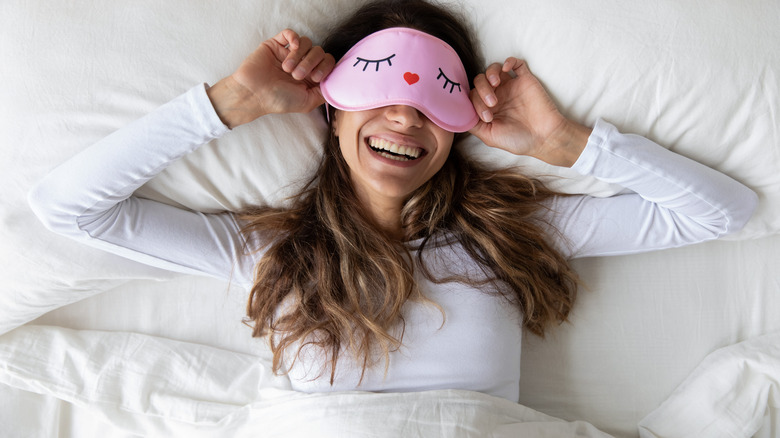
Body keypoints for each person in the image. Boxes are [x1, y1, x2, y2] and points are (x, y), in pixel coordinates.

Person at [28, 0, 757, 402]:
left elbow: (722, 213)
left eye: (436, 98)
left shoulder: (509, 235)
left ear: (463, 127)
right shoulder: (269, 254)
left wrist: (568, 144)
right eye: (378, 87)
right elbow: (69, 207)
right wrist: (231, 104)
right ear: (333, 112)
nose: (407, 116)